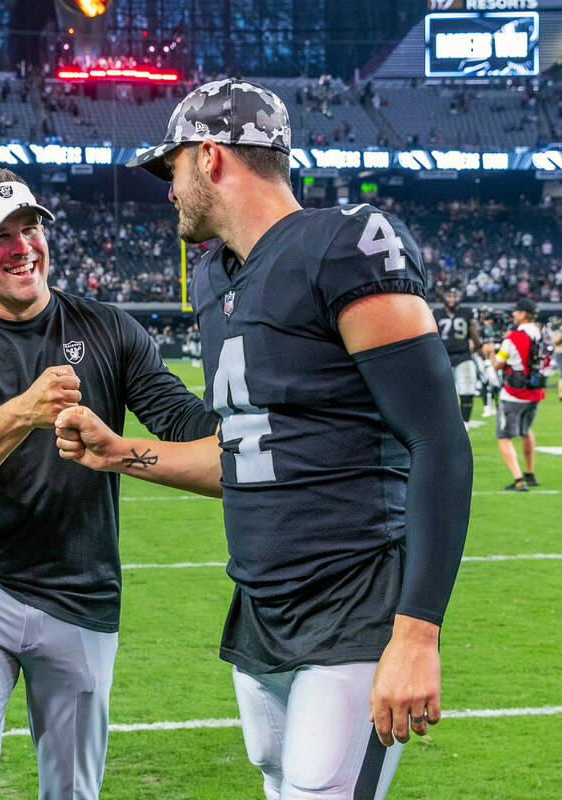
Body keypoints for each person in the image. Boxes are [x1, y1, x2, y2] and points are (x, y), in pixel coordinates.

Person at [59, 79, 472, 799]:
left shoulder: (345, 246)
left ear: (211, 156)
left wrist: (416, 634)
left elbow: (439, 442)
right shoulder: (217, 277)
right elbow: (246, 452)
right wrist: (118, 452)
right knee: (281, 783)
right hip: (260, 610)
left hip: (352, 603)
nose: (168, 191)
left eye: (173, 169)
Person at [0, 168, 218, 800]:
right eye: (2, 237)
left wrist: (261, 406)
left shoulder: (108, 328)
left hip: (81, 591)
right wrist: (26, 408)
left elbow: (192, 426)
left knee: (72, 790)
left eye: (31, 228)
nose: (24, 247)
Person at [493, 298, 548, 491]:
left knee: (503, 435)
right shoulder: (542, 333)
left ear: (523, 314)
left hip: (514, 394)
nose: (514, 315)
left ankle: (518, 479)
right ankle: (530, 473)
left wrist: (492, 350)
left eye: (516, 312)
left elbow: (498, 364)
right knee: (526, 430)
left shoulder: (514, 337)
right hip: (536, 392)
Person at [434, 287, 483, 427]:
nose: (452, 299)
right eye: (449, 296)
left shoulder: (466, 312)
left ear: (459, 298)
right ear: (444, 297)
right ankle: (442, 423)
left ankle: (465, 425)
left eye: (455, 296)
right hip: (442, 357)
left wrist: (479, 349)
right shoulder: (437, 313)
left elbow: (474, 333)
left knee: (467, 391)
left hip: (462, 356)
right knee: (440, 393)